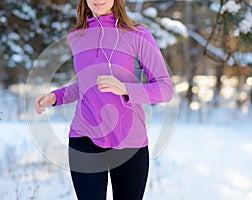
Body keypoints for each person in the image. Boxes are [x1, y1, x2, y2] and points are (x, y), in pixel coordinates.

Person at [35, 0, 173, 199]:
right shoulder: (77, 36)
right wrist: (55, 97)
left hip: (129, 140)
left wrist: (125, 89)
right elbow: (86, 84)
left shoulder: (137, 35)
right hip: (84, 137)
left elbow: (165, 88)